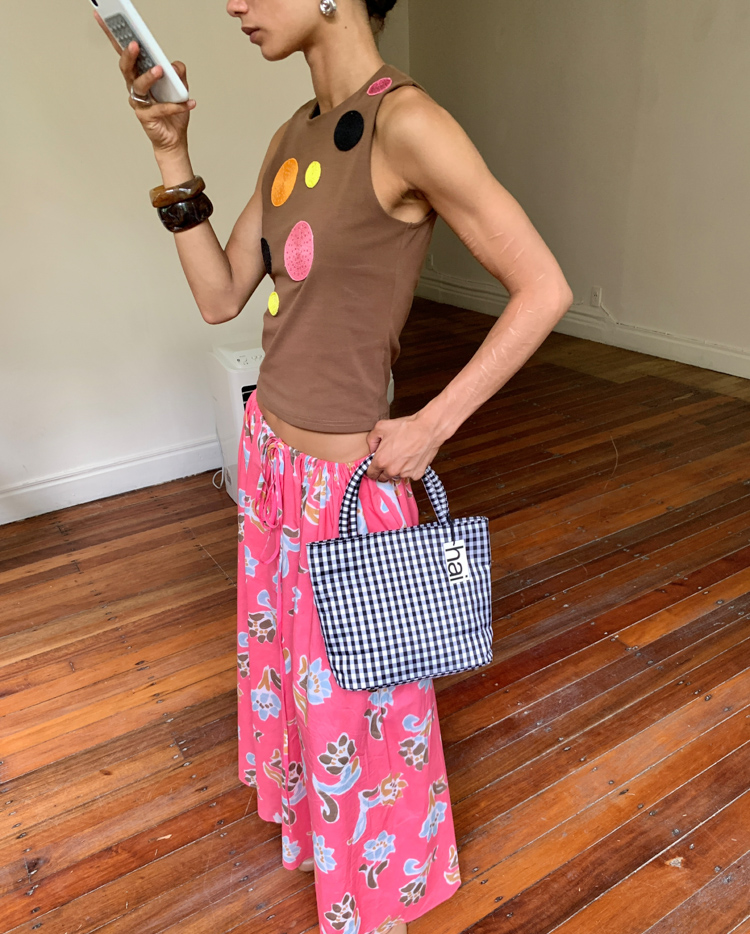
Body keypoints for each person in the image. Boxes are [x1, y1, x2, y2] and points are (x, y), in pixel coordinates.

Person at [96, 1, 573, 931]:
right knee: (295, 676)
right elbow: (221, 295)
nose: (236, 3)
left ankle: (381, 889)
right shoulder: (294, 135)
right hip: (271, 459)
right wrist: (170, 153)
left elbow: (543, 287)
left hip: (347, 493)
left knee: (366, 707)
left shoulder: (408, 123)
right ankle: (314, 830)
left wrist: (433, 424)